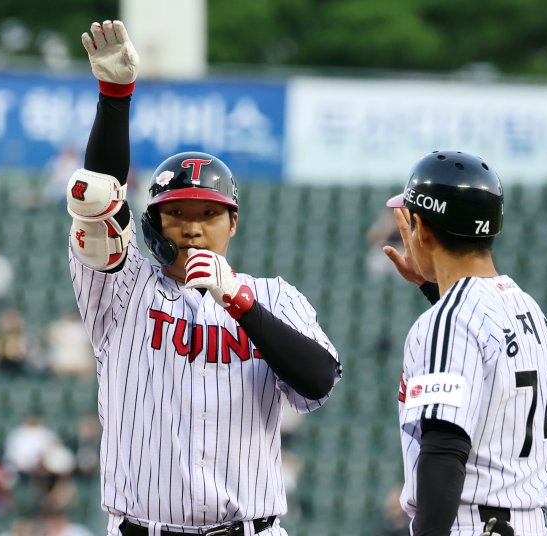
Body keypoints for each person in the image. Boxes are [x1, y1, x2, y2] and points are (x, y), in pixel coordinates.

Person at [66, 20, 341, 536]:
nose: (193, 226)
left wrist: (237, 300)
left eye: (209, 214)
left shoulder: (272, 297)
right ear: (153, 223)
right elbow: (99, 196)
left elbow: (319, 380)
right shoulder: (123, 289)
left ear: (233, 222)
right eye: (177, 213)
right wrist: (115, 97)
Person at [383, 151, 547, 536]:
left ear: (423, 231)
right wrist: (435, 286)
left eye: (410, 221)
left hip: (473, 525)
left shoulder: (449, 319)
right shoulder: (525, 305)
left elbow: (444, 453)